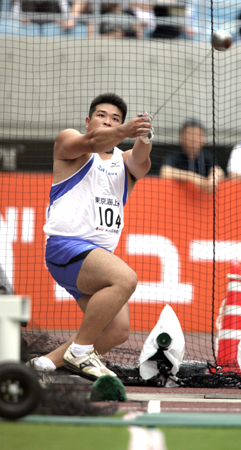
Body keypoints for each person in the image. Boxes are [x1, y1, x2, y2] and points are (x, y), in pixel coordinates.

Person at [26, 93, 154, 381]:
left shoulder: (125, 163)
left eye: (115, 118)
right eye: (101, 115)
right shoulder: (70, 142)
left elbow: (141, 160)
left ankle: (42, 366)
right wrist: (125, 130)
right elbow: (95, 142)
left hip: (96, 259)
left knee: (117, 330)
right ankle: (81, 352)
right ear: (88, 121)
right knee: (126, 279)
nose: (108, 121)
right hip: (66, 247)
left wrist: (144, 137)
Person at [159, 120, 224, 193]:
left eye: (197, 135)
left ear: (203, 138)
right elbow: (165, 171)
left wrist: (213, 179)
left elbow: (218, 170)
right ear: (181, 137)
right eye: (189, 134)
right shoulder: (174, 156)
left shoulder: (207, 156)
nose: (194, 139)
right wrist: (191, 177)